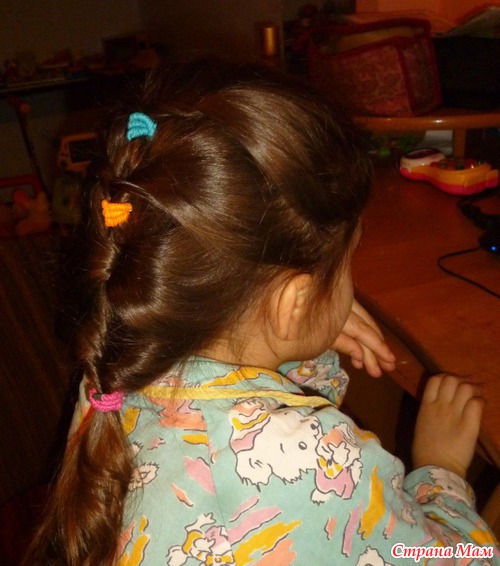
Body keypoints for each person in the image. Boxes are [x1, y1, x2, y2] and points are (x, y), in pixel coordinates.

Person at [24, 59, 498, 565]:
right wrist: (442, 468)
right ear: (293, 300)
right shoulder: (316, 463)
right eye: (346, 263)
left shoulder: (116, 371)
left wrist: (305, 330)